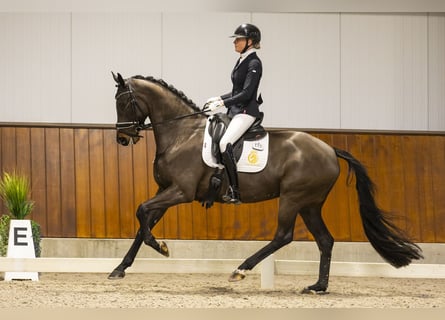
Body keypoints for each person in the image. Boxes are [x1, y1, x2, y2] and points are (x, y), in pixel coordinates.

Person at [204, 23, 263, 204]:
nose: (235, 42)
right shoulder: (242, 60)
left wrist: (222, 103)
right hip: (235, 110)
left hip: (246, 111)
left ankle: (234, 190)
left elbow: (246, 94)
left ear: (250, 41)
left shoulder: (254, 62)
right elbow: (237, 90)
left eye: (239, 39)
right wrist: (218, 98)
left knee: (225, 142)